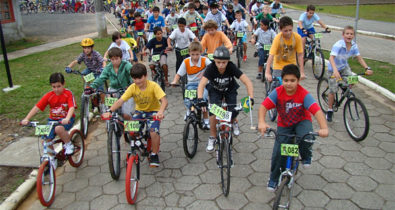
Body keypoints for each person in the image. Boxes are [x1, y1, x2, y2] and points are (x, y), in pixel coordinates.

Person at [258, 64, 329, 191]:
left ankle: (307, 155)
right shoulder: (278, 92)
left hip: (302, 121)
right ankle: (274, 178)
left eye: (292, 80)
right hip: (284, 123)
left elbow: (316, 111)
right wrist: (261, 122)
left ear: (298, 80)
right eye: (286, 80)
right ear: (282, 80)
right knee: (278, 152)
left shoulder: (303, 94)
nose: (289, 84)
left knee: (306, 138)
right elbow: (263, 107)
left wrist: (324, 128)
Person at [102, 63, 168, 167]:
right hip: (140, 112)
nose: (137, 81)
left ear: (145, 76)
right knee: (130, 129)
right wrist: (110, 111)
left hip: (154, 112)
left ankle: (154, 154)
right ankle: (137, 143)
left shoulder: (154, 86)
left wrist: (160, 112)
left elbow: (164, 101)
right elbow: (120, 101)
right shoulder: (132, 87)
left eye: (140, 78)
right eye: (134, 78)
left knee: (153, 132)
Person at [197, 46, 254, 154]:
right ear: (214, 61)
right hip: (215, 90)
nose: (221, 65)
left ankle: (234, 122)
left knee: (233, 111)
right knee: (213, 113)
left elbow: (247, 82)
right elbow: (202, 84)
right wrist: (200, 99)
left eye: (224, 62)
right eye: (218, 62)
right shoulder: (211, 68)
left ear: (228, 61)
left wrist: (250, 98)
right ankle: (213, 137)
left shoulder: (231, 67)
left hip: (230, 90)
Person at [21, 73, 76, 168]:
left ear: (64, 84)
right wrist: (27, 118)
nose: (56, 89)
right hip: (52, 120)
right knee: (45, 139)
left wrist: (67, 118)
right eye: (53, 87)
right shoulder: (49, 96)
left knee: (59, 129)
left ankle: (69, 144)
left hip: (66, 119)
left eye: (59, 86)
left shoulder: (68, 94)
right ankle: (52, 157)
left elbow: (71, 107)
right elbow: (37, 107)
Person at [326, 26, 373, 122]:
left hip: (344, 67)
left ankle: (344, 88)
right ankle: (330, 110)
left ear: (353, 36)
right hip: (333, 68)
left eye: (351, 34)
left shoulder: (354, 45)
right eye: (347, 33)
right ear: (343, 35)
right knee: (333, 90)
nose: (349, 35)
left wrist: (367, 68)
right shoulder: (338, 45)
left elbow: (359, 58)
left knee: (353, 79)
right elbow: (331, 58)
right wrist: (335, 71)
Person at [85, 47, 135, 119]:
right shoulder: (108, 68)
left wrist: (131, 85)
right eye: (112, 59)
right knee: (109, 109)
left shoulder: (126, 65)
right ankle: (110, 124)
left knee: (127, 114)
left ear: (121, 58)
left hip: (126, 90)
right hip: (113, 90)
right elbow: (101, 78)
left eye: (116, 59)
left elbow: (132, 74)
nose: (114, 61)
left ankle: (129, 129)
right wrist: (92, 86)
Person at [170, 41, 211, 129]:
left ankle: (206, 120)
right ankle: (189, 110)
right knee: (188, 98)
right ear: (189, 53)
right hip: (191, 84)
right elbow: (179, 74)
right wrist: (174, 81)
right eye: (192, 54)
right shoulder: (186, 61)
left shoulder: (205, 60)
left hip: (203, 84)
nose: (195, 57)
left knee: (203, 101)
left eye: (197, 54)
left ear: (201, 52)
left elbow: (212, 68)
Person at [265, 16, 305, 83]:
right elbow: (271, 55)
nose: (288, 33)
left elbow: (300, 55)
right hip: (279, 65)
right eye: (285, 31)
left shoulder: (297, 38)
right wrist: (267, 72)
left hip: (291, 65)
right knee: (276, 86)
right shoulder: (278, 38)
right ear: (280, 29)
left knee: (293, 86)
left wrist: (302, 72)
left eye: (290, 30)